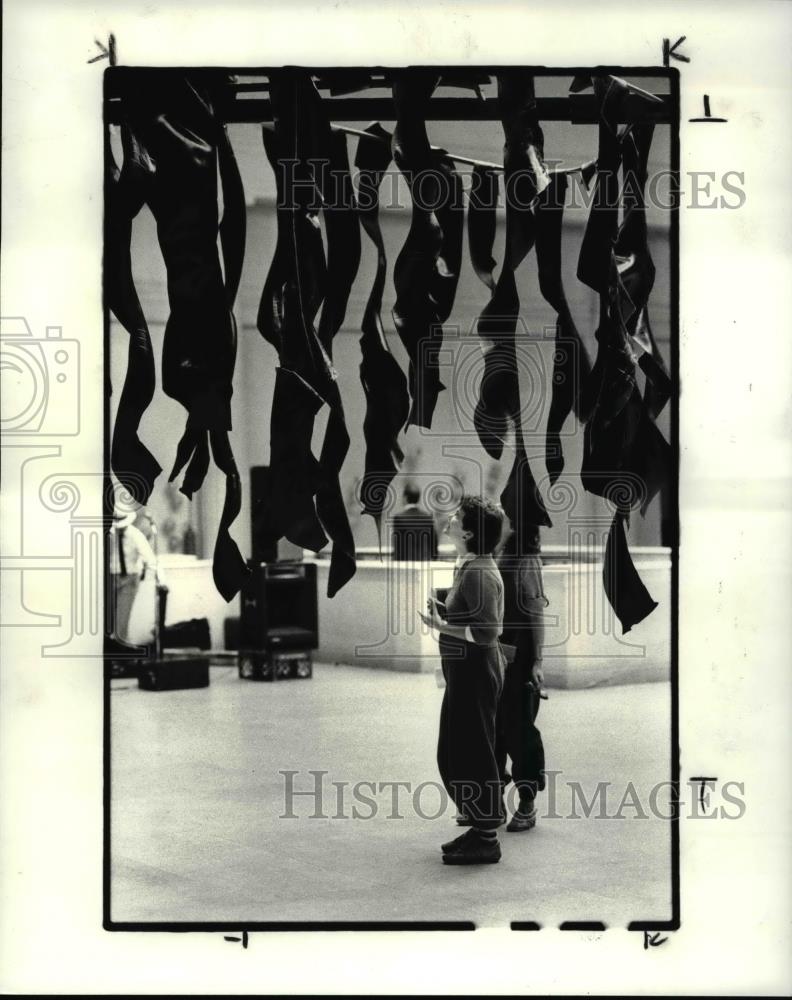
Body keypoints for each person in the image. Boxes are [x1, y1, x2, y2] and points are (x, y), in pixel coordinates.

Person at [418, 495, 506, 865]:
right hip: (464, 672)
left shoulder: (480, 571)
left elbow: (487, 632)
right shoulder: (469, 564)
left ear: (469, 532)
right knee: (457, 751)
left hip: (475, 672)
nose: (449, 519)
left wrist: (441, 625)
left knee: (474, 753)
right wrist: (446, 611)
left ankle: (487, 837)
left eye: (456, 517)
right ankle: (478, 825)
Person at [495, 521, 549, 832]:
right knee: (494, 728)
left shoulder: (526, 559)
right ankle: (496, 798)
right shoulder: (498, 552)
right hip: (497, 654)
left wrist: (538, 661)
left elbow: (537, 613)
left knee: (519, 729)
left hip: (520, 656)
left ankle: (527, 801)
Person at [109, 507, 166, 645]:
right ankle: (115, 655)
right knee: (108, 622)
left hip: (129, 579)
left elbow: (150, 558)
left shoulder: (135, 535)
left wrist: (161, 578)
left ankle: (121, 656)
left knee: (121, 622)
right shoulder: (108, 534)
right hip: (110, 578)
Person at [391, 484, 438, 562]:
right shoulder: (427, 517)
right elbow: (434, 541)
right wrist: (434, 558)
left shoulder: (399, 518)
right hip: (424, 562)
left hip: (406, 563)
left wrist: (395, 560)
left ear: (405, 498)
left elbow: (398, 545)